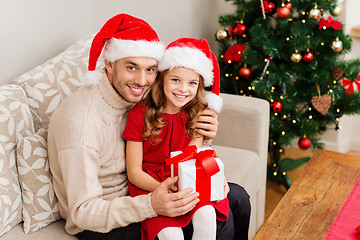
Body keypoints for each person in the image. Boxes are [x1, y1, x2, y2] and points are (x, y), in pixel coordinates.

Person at [47, 13, 250, 240]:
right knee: (221, 222)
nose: (142, 81)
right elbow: (82, 213)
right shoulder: (81, 122)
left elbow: (171, 137)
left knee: (239, 199)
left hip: (149, 185)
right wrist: (153, 204)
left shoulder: (143, 98)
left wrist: (204, 139)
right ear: (109, 64)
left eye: (150, 69)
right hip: (105, 219)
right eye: (131, 67)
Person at [123, 38, 228, 240]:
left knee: (207, 214)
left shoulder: (197, 112)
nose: (183, 89)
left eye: (192, 83)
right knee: (170, 234)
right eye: (176, 80)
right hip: (151, 184)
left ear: (199, 86)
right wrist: (162, 189)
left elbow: (192, 156)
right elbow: (134, 172)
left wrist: (213, 177)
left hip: (185, 179)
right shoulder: (139, 114)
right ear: (162, 79)